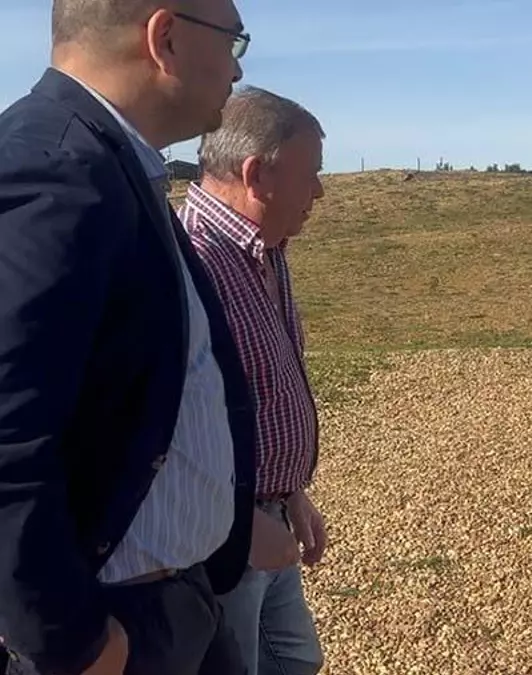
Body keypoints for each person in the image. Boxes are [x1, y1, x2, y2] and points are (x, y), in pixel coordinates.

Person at [0, 0, 261, 673]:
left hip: (176, 600)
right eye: (233, 41)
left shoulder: (108, 160)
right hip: (116, 622)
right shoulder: (56, 168)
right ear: (165, 37)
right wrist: (69, 639)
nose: (238, 70)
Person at [181, 86, 328, 675]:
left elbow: (260, 392)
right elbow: (169, 426)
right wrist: (239, 525)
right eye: (310, 174)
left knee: (294, 661)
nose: (320, 191)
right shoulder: (192, 258)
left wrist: (291, 492)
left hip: (270, 516)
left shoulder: (267, 247)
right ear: (257, 175)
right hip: (220, 537)